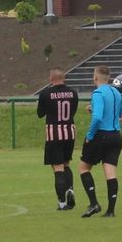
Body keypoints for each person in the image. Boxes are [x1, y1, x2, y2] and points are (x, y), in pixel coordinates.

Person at [78, 65, 122, 218]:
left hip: (101, 135)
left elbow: (97, 118)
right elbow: (119, 115)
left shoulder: (98, 93)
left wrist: (89, 135)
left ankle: (94, 203)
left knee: (84, 168)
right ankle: (111, 211)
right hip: (116, 136)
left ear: (95, 77)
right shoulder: (116, 92)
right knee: (110, 172)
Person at [35, 67, 79, 210]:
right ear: (63, 78)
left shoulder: (46, 94)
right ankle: (70, 189)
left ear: (51, 79)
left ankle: (62, 203)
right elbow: (73, 111)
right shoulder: (73, 93)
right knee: (66, 164)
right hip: (69, 133)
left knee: (57, 167)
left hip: (54, 134)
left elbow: (40, 114)